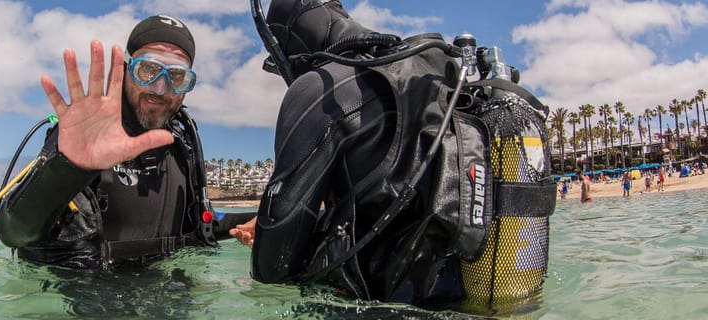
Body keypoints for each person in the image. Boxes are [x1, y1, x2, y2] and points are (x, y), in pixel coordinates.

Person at [233, 0, 556, 312]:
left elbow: (277, 252)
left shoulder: (322, 86)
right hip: (475, 288)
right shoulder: (433, 72)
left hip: (383, 305)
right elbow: (407, 198)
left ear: (287, 41)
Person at [0, 15, 252, 269]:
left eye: (176, 76)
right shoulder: (89, 133)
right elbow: (13, 232)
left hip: (164, 296)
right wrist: (70, 168)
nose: (160, 88)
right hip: (85, 298)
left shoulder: (181, 145)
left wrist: (260, 219)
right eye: (148, 70)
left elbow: (202, 226)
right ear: (128, 69)